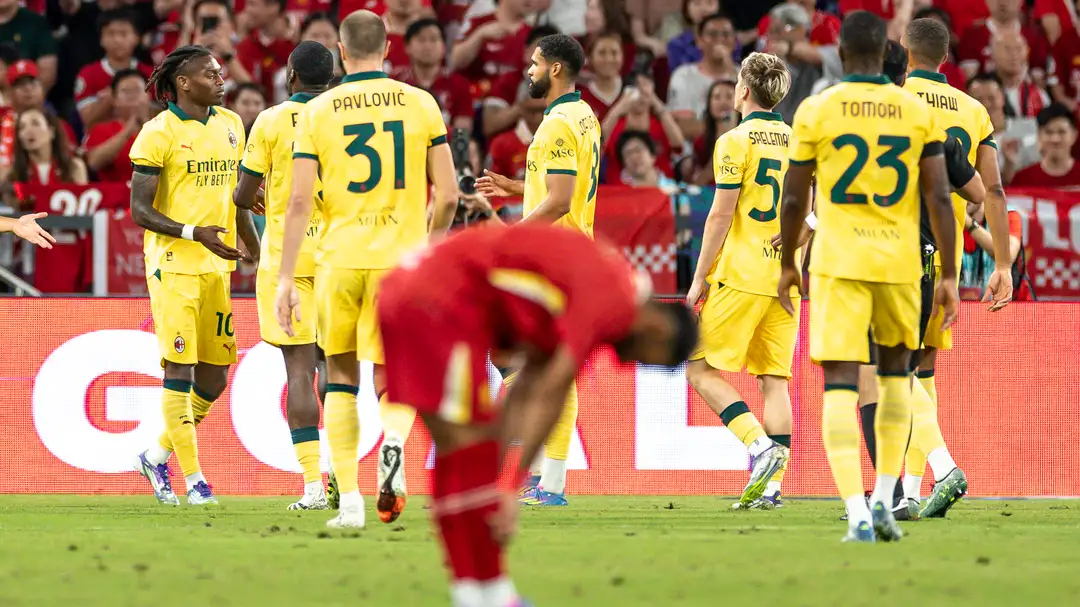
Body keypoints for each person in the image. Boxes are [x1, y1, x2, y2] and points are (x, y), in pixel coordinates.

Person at [376, 223, 696, 607]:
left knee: (461, 452)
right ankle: (490, 594)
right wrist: (509, 486)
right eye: (646, 360)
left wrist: (504, 475)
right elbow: (552, 391)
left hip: (410, 289)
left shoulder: (600, 281)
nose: (628, 364)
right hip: (440, 301)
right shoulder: (611, 299)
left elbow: (531, 381)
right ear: (658, 329)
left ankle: (478, 595)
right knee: (469, 449)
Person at [778, 10, 959, 542]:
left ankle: (857, 511)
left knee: (841, 384)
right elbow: (939, 196)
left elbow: (794, 198)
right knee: (897, 377)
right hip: (900, 262)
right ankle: (886, 496)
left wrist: (788, 262)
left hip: (838, 263)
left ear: (840, 53)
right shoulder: (915, 111)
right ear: (886, 52)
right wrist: (950, 274)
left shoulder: (816, 109)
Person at [275, 10, 458, 529]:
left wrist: (286, 278)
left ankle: (351, 504)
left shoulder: (317, 111)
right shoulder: (420, 103)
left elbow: (299, 202)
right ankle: (393, 441)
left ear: (340, 50)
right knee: (393, 371)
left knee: (339, 377)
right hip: (401, 263)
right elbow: (448, 195)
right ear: (388, 47)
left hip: (339, 259)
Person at [130, 45, 260, 507]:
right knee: (179, 370)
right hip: (173, 265)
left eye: (220, 72)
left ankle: (155, 455)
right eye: (211, 74)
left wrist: (257, 252)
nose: (221, 80)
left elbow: (237, 200)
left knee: (215, 378)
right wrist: (192, 232)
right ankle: (195, 480)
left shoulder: (232, 124)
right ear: (183, 83)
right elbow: (140, 210)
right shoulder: (157, 133)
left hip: (216, 267)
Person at [475, 34, 601, 507]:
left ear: (555, 69)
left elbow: (561, 200)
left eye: (535, 63)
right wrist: (516, 186)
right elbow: (563, 185)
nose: (528, 71)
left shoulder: (556, 125)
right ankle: (543, 478)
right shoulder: (584, 115)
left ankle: (545, 480)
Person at [901, 17, 1016, 518]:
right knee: (920, 371)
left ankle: (940, 469)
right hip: (945, 254)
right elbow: (992, 190)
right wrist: (1003, 264)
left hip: (893, 246)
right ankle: (908, 492)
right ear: (946, 57)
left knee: (889, 370)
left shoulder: (893, 97)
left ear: (904, 50)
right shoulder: (974, 110)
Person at [685, 52, 795, 510]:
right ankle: (772, 489)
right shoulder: (798, 140)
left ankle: (758, 445)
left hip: (743, 273)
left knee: (698, 368)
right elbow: (814, 207)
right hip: (786, 278)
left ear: (744, 90)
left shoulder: (734, 140)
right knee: (775, 381)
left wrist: (699, 278)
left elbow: (720, 215)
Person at [234, 41, 335, 511]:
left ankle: (313, 486)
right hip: (337, 255)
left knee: (299, 371)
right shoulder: (343, 116)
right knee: (337, 369)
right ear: (331, 78)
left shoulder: (271, 120)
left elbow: (243, 195)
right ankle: (343, 477)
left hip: (286, 258)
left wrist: (257, 197)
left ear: (291, 74)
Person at [75, 8, 155, 129]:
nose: (117, 40)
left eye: (123, 34)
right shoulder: (88, 74)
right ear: (101, 39)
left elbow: (163, 114)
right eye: (111, 34)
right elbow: (87, 120)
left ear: (136, 38)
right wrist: (112, 96)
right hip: (102, 136)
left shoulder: (152, 74)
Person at [396, 18, 475, 132]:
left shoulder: (459, 84)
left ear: (444, 47)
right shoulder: (395, 82)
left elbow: (462, 133)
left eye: (433, 39)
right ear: (407, 47)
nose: (427, 46)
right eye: (421, 40)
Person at [84, 69, 153, 184]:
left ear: (148, 96)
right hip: (115, 193)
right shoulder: (101, 129)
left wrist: (145, 122)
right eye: (126, 91)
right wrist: (128, 130)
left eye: (137, 90)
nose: (132, 96)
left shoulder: (165, 126)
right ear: (115, 99)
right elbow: (93, 163)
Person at [1010, 103, 1080, 187]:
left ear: (1074, 136)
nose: (1055, 139)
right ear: (1039, 136)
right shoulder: (1021, 179)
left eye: (1062, 132)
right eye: (1048, 132)